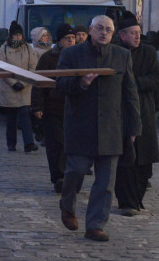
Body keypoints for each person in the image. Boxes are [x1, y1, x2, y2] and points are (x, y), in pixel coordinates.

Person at [56, 15, 141, 242]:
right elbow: (60, 86)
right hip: (80, 126)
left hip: (111, 129)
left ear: (113, 34)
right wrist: (81, 83)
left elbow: (130, 94)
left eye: (109, 30)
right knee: (75, 171)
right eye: (100, 28)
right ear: (91, 30)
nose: (104, 33)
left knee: (105, 183)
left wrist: (134, 127)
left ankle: (95, 225)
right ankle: (67, 205)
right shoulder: (71, 54)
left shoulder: (122, 56)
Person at [113, 13, 159, 215]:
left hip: (145, 111)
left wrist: (135, 84)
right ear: (123, 35)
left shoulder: (148, 53)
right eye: (133, 33)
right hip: (121, 113)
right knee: (125, 160)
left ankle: (137, 198)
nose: (137, 37)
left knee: (144, 162)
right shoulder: (114, 52)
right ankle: (126, 202)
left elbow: (157, 78)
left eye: (139, 33)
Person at [32, 23, 75, 192]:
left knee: (69, 144)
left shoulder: (77, 57)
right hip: (52, 108)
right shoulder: (48, 58)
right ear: (60, 40)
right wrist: (37, 106)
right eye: (68, 38)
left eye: (73, 38)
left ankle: (67, 176)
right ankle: (58, 176)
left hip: (72, 107)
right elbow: (39, 83)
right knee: (55, 144)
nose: (71, 41)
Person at [0, 21, 38, 152]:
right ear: (11, 36)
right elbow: (1, 68)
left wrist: (24, 82)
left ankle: (29, 143)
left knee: (25, 116)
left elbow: (33, 67)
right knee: (11, 118)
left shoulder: (28, 48)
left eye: (19, 35)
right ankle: (11, 144)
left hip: (25, 88)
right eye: (15, 35)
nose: (18, 37)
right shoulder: (4, 48)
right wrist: (14, 83)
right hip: (10, 88)